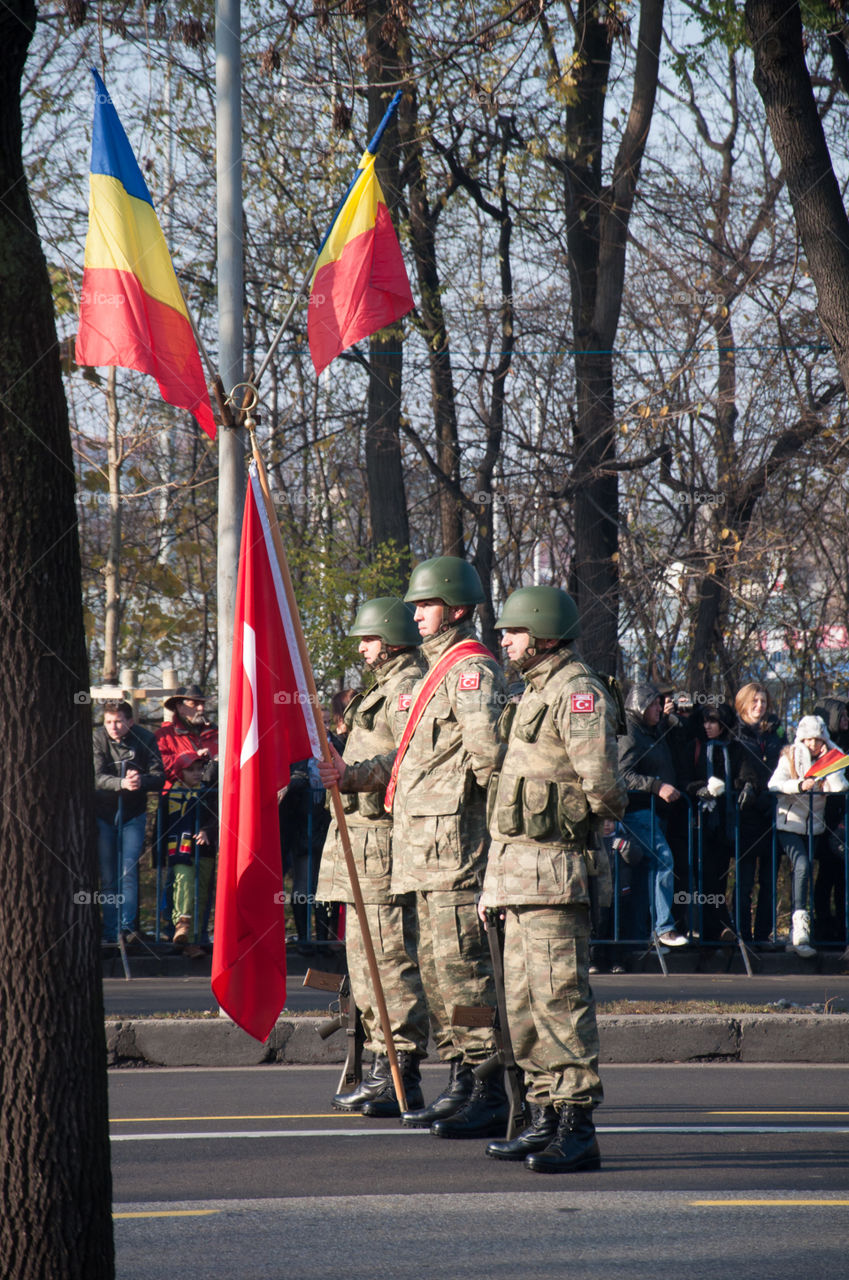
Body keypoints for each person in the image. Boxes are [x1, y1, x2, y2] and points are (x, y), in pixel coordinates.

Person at [320, 556, 507, 1138]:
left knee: (465, 973)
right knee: (438, 972)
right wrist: (348, 773)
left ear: (455, 607)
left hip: (454, 849)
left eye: (425, 604)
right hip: (421, 852)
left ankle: (486, 1083)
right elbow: (413, 760)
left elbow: (490, 764)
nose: (416, 614)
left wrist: (498, 853)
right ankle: (460, 1078)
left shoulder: (470, 670)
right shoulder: (436, 671)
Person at [480, 586, 627, 1173]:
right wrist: (493, 884)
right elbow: (504, 803)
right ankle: (543, 1115)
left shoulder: (578, 692)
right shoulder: (531, 691)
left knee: (560, 1001)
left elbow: (603, 788)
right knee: (522, 1008)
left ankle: (576, 1125)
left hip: (555, 875)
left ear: (542, 633)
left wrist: (571, 820)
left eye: (512, 632)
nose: (505, 641)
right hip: (516, 878)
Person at [315, 598, 429, 1116]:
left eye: (368, 639)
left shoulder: (408, 689)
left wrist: (352, 775)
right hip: (355, 843)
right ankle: (381, 1068)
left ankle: (400, 1072)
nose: (361, 648)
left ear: (392, 638)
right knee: (364, 967)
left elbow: (409, 758)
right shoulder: (380, 689)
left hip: (381, 844)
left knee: (389, 962)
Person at [768, 714, 849, 957]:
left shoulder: (832, 758)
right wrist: (800, 785)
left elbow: (840, 787)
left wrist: (829, 761)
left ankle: (808, 932)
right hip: (789, 826)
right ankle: (799, 926)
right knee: (801, 865)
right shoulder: (789, 756)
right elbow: (774, 784)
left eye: (818, 739)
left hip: (815, 829)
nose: (813, 745)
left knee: (810, 873)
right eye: (808, 739)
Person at [617, 683, 689, 949]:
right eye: (655, 704)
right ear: (640, 705)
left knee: (643, 875)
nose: (660, 707)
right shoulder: (630, 733)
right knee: (663, 858)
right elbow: (623, 775)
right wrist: (657, 787)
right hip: (637, 811)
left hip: (654, 813)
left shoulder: (651, 731)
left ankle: (637, 940)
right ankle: (664, 928)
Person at [94, 699, 164, 942]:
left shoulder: (145, 738)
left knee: (129, 871)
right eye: (109, 722)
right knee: (108, 875)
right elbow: (96, 776)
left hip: (133, 814)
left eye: (119, 722)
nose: (113, 727)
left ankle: (127, 929)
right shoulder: (97, 738)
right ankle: (111, 931)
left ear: (130, 721)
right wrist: (120, 783)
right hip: (103, 814)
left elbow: (159, 777)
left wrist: (140, 780)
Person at [732, 682, 781, 946]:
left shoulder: (774, 732)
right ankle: (742, 934)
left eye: (763, 701)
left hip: (772, 811)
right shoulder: (735, 733)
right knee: (745, 880)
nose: (759, 706)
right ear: (743, 703)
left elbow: (783, 764)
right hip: (746, 814)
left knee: (769, 880)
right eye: (754, 701)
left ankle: (764, 934)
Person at [161, 750, 217, 950]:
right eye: (190, 770)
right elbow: (161, 827)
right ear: (179, 772)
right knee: (183, 884)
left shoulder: (209, 793)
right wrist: (157, 857)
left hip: (204, 851)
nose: (197, 773)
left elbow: (216, 817)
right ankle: (182, 924)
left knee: (201, 892)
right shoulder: (169, 796)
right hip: (179, 852)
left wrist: (207, 831)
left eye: (200, 769)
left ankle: (193, 940)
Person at [813, 698, 849, 943]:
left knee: (842, 879)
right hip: (825, 818)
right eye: (843, 716)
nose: (847, 720)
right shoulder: (823, 747)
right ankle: (824, 925)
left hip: (843, 818)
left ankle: (842, 926)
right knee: (826, 875)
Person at [155, 684, 219, 788]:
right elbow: (157, 766)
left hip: (215, 799)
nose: (201, 708)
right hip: (177, 800)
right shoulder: (164, 736)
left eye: (203, 703)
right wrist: (193, 757)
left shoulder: (217, 734)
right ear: (180, 707)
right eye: (194, 704)